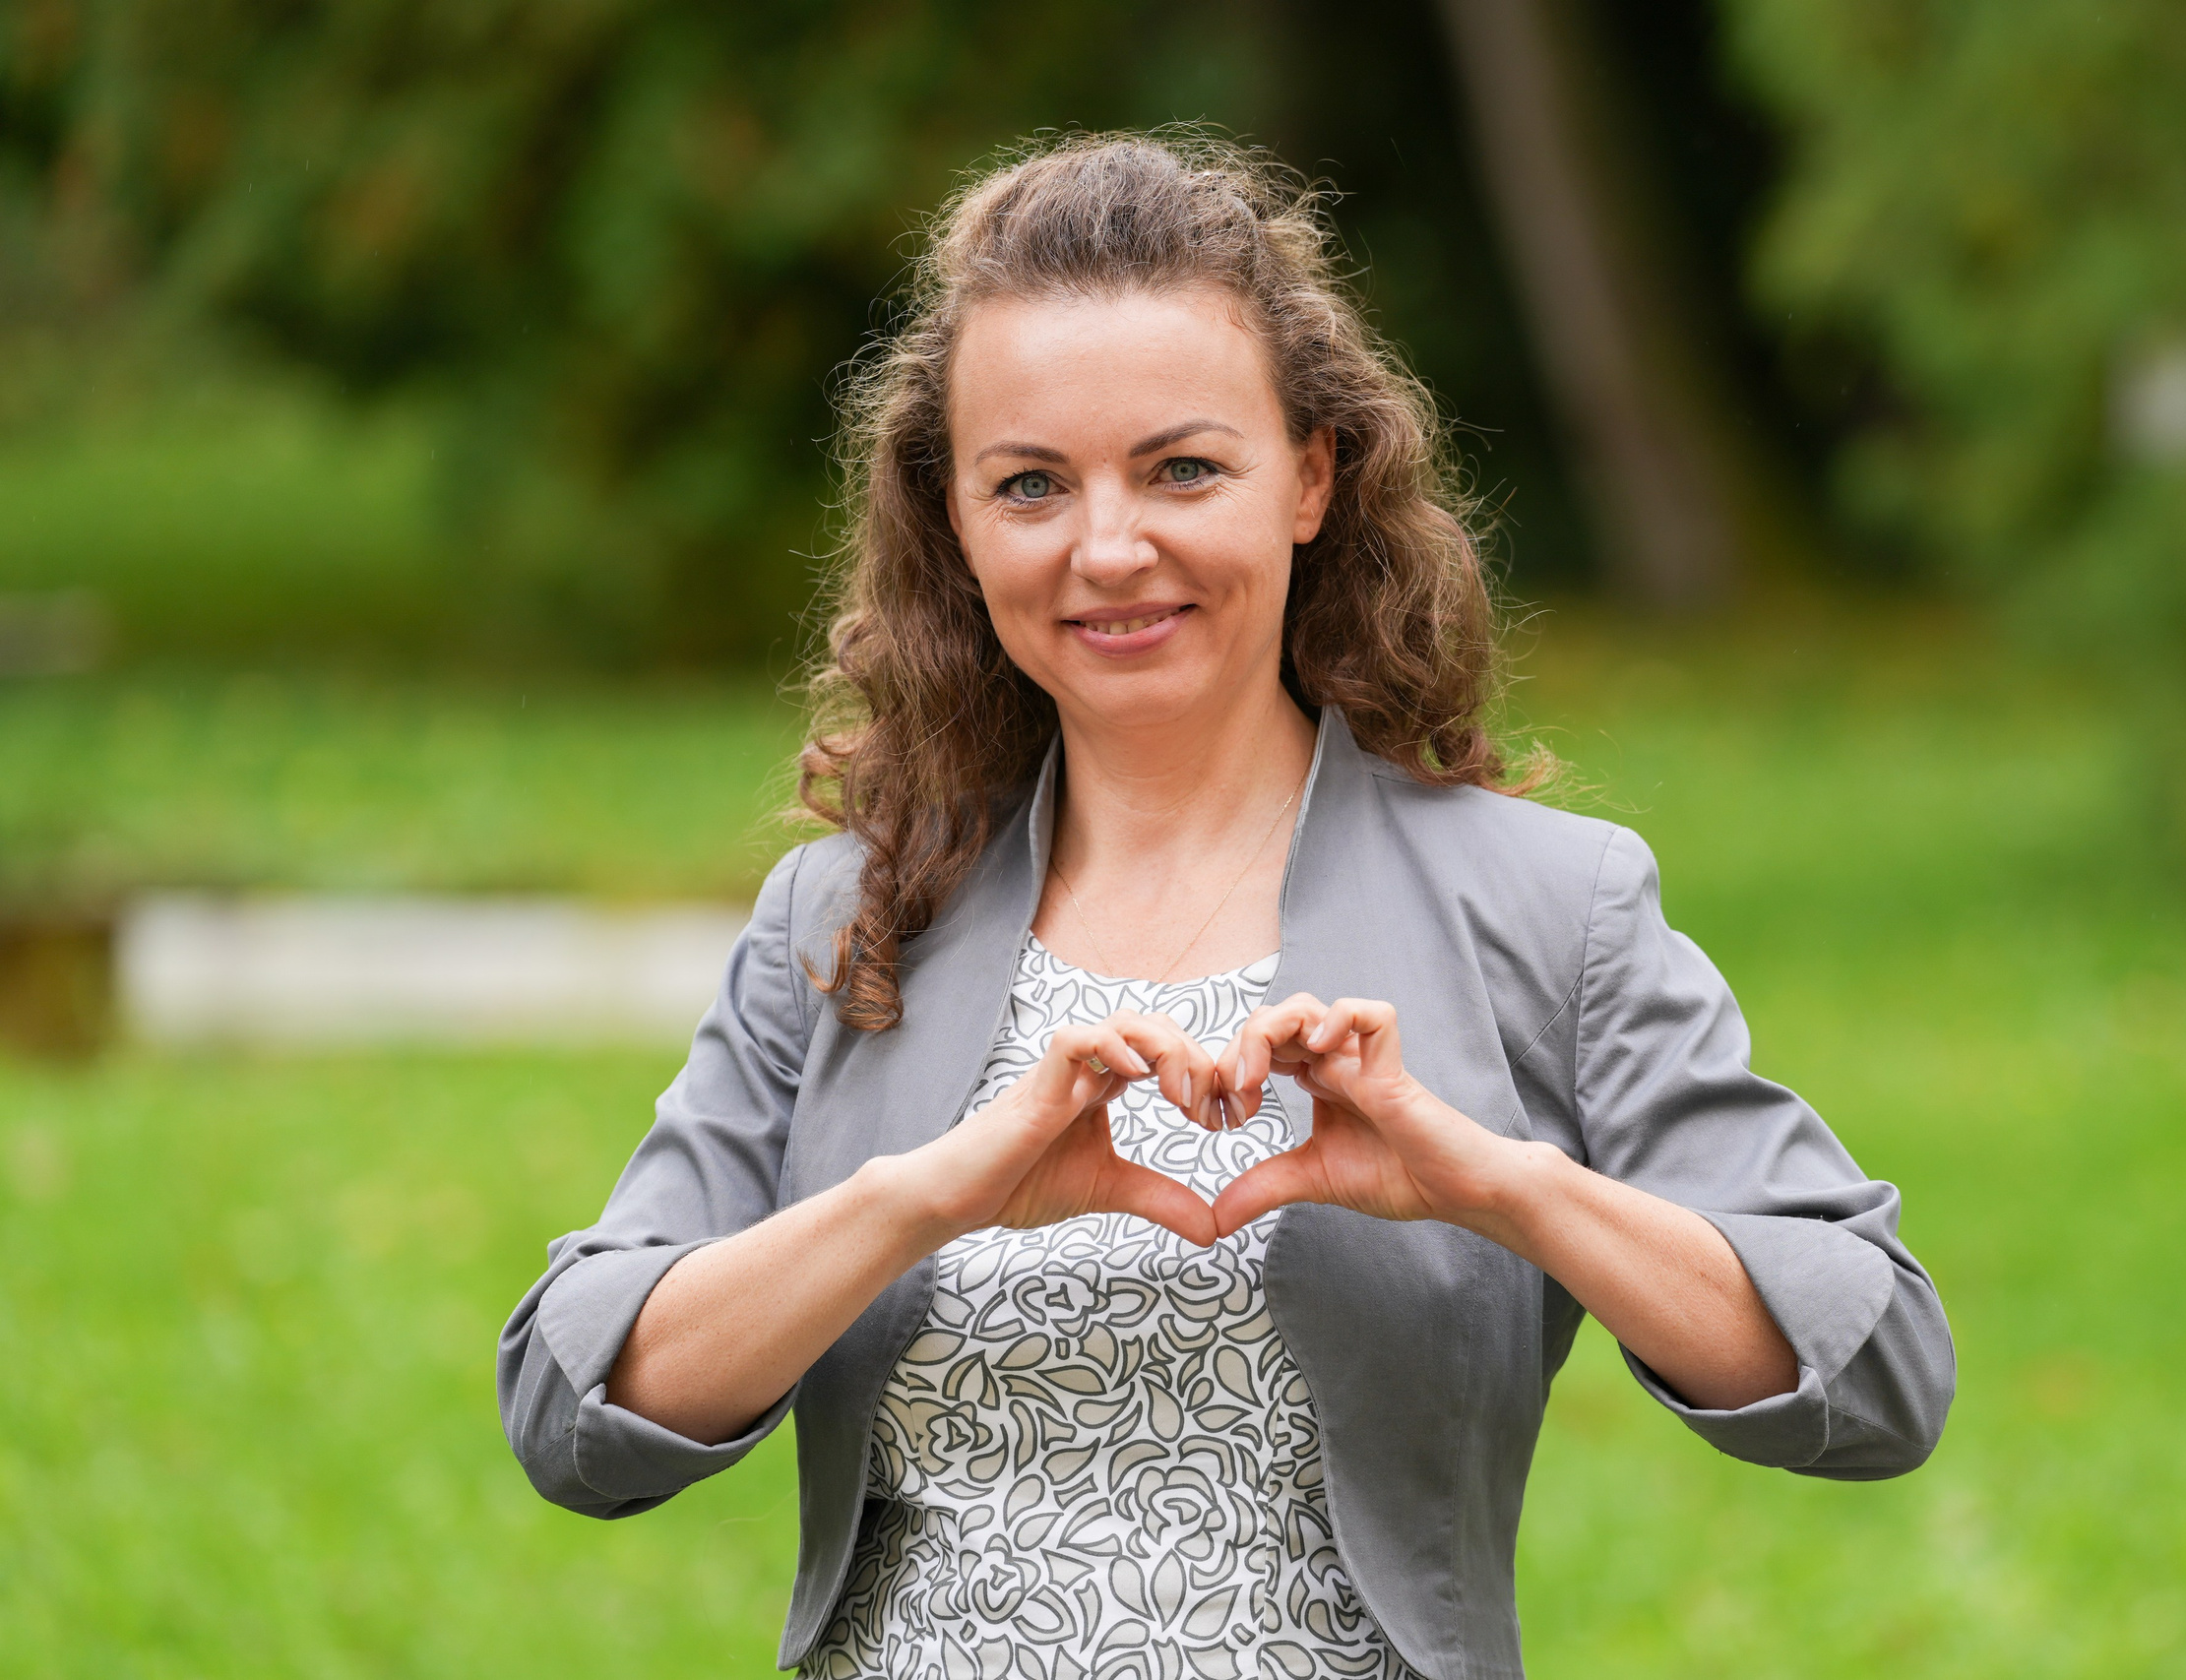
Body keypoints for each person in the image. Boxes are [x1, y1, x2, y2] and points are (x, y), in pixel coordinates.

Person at [498, 132, 1955, 1680]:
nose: (1110, 548)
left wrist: (1500, 1182)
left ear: (1313, 476)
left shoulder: (1550, 907)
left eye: (1184, 468)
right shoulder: (844, 922)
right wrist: (920, 1198)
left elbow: (1871, 1370)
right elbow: (576, 1414)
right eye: (1032, 485)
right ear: (956, 518)